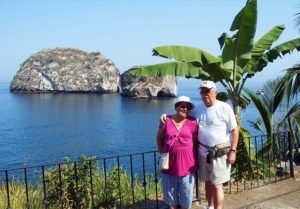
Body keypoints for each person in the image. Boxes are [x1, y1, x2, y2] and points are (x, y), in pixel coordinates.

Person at [161, 81, 239, 209]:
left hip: (219, 153)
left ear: (215, 92)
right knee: (207, 183)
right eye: (202, 91)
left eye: (207, 91)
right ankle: (210, 206)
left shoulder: (224, 107)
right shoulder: (197, 109)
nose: (204, 94)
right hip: (203, 152)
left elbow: (234, 131)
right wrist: (166, 116)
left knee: (217, 185)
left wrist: (233, 151)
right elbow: (181, 115)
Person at [157, 96, 198, 209]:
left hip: (187, 166)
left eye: (188, 107)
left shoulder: (192, 122)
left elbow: (195, 139)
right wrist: (163, 152)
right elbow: (159, 138)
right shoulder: (166, 120)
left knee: (186, 199)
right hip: (169, 166)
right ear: (176, 107)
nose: (185, 109)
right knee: (171, 202)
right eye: (182, 106)